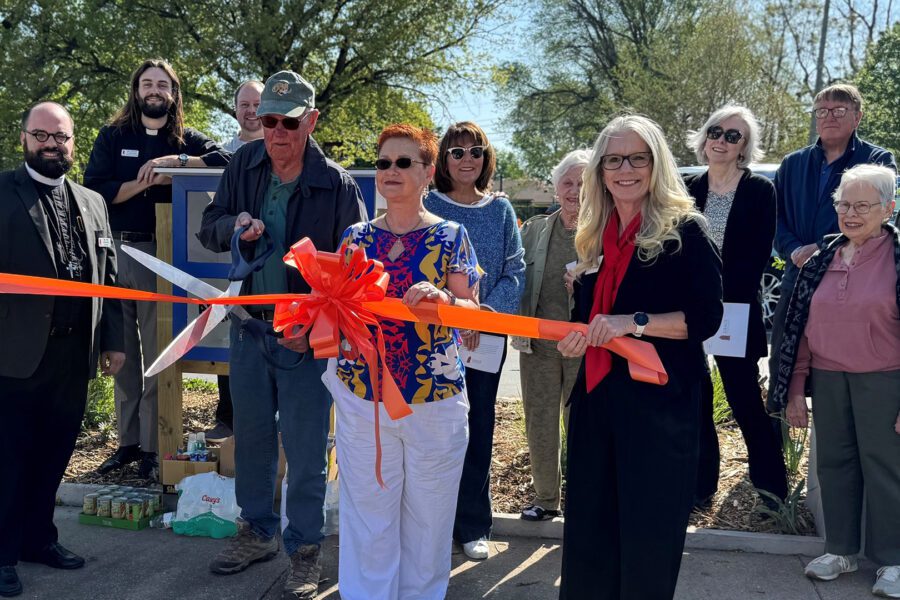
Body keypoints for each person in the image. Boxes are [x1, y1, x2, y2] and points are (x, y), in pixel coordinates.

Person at [199, 70, 365, 600]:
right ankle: (256, 531)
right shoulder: (242, 165)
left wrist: (318, 329)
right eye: (267, 119)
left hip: (304, 340)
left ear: (310, 122)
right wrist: (233, 225)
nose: (276, 131)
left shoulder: (337, 184)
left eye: (288, 122)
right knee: (249, 437)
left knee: (307, 446)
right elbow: (210, 222)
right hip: (249, 330)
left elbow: (355, 269)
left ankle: (305, 548)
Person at [556, 115, 723, 599]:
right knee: (590, 531)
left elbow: (706, 319)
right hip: (597, 400)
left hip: (659, 408)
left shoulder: (685, 230)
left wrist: (635, 321)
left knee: (648, 537)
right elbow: (587, 317)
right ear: (600, 171)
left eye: (637, 158)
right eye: (613, 160)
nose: (624, 169)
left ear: (656, 163)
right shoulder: (595, 232)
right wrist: (579, 336)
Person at [322, 123, 481, 600]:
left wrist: (444, 299)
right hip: (362, 398)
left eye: (403, 162)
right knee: (367, 516)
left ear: (429, 172)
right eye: (383, 162)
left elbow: (473, 322)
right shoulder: (354, 237)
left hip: (433, 400)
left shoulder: (452, 236)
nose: (390, 171)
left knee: (428, 521)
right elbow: (336, 309)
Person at [0, 102, 125, 598]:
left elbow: (111, 279)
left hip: (75, 355)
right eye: (42, 135)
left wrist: (113, 341)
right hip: (14, 355)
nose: (53, 144)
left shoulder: (94, 201)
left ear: (74, 142)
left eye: (62, 137)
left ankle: (39, 540)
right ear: (25, 138)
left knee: (53, 454)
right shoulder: (2, 192)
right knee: (9, 459)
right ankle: (3, 555)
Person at [84, 58, 229, 478]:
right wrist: (146, 181)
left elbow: (227, 158)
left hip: (159, 259)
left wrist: (178, 165)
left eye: (162, 84)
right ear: (136, 90)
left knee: (156, 354)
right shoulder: (113, 136)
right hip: (114, 256)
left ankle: (152, 446)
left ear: (173, 93)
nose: (154, 90)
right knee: (121, 356)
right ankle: (127, 443)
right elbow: (96, 190)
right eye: (147, 83)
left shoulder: (186, 140)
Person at [771, 164, 900, 598]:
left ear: (889, 208)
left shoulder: (897, 256)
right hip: (828, 377)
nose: (851, 213)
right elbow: (800, 328)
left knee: (887, 470)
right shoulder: (821, 257)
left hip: (885, 379)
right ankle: (841, 550)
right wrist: (794, 390)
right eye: (844, 204)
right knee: (835, 467)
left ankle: (893, 560)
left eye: (863, 205)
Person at [424, 121, 525, 559]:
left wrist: (481, 318)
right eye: (457, 152)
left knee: (477, 428)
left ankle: (472, 525)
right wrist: (452, 316)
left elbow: (514, 271)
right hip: (431, 337)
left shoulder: (500, 211)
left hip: (483, 339)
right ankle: (430, 523)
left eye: (476, 151)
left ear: (487, 159)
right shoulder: (427, 204)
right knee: (431, 430)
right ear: (443, 159)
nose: (467, 159)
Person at [683, 105, 788, 510]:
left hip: (734, 310)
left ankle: (771, 490)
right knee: (697, 398)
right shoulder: (688, 188)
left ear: (745, 148)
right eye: (716, 131)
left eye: (733, 135)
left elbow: (756, 256)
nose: (721, 140)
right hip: (689, 311)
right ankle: (700, 486)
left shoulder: (760, 190)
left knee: (743, 398)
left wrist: (716, 297)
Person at [768, 83, 895, 406]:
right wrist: (794, 249)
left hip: (855, 275)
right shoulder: (792, 164)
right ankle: (780, 440)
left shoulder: (877, 160)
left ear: (857, 117)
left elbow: (879, 214)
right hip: (799, 275)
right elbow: (775, 217)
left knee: (837, 363)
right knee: (784, 359)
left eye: (839, 111)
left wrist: (823, 248)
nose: (829, 117)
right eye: (822, 111)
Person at [514, 149, 590, 522]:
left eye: (584, 183)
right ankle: (545, 499)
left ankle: (583, 499)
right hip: (537, 348)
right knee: (540, 420)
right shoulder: (534, 230)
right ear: (556, 188)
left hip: (588, 348)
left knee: (583, 425)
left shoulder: (606, 232)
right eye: (568, 183)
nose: (575, 191)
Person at [205, 79, 265, 443]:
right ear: (235, 109)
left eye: (257, 103)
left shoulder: (288, 152)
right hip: (230, 264)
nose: (251, 111)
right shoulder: (224, 156)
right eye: (244, 104)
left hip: (273, 265)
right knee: (228, 339)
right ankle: (226, 417)